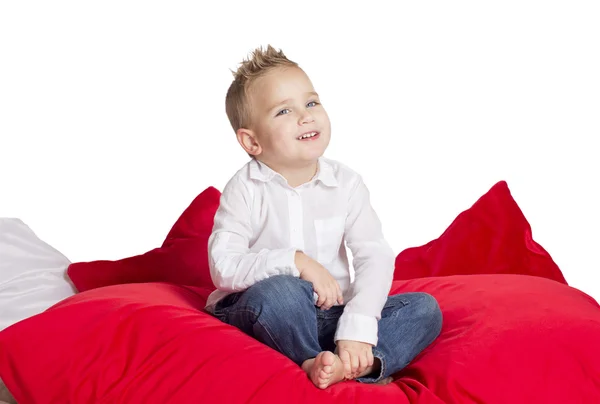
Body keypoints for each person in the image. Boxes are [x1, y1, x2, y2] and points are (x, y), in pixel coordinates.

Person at [205, 45, 442, 389]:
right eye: (284, 110)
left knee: (424, 310)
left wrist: (357, 326)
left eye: (311, 103)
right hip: (267, 310)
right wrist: (297, 262)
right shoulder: (245, 188)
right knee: (283, 292)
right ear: (252, 141)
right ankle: (307, 358)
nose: (306, 116)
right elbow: (223, 266)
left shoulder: (346, 183)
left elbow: (373, 256)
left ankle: (358, 363)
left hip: (332, 316)